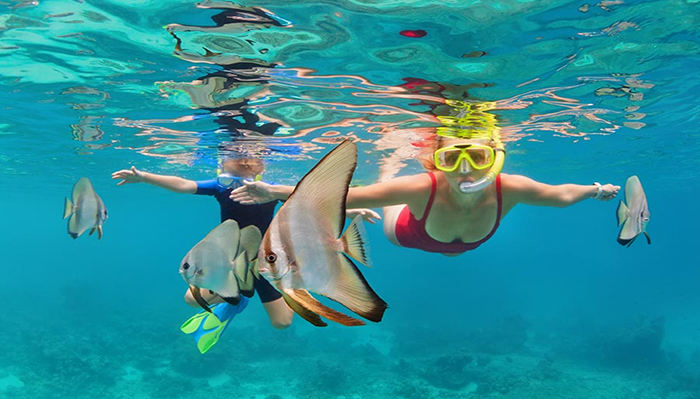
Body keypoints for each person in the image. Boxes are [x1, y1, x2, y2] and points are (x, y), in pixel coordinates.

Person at [229, 135, 620, 257]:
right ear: (439, 163)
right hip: (407, 233)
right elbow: (345, 195)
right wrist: (274, 189)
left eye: (478, 156)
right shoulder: (423, 187)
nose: (465, 169)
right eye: (452, 159)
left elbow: (560, 195)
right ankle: (389, 167)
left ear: (495, 158)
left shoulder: (511, 187)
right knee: (380, 195)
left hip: (462, 242)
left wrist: (595, 190)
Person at [112, 156, 296, 328]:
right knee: (191, 299)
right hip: (227, 261)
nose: (236, 188)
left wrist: (273, 191)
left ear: (260, 177)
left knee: (282, 322)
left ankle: (291, 285)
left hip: (264, 260)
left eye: (246, 182)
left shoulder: (268, 191)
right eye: (229, 181)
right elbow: (183, 184)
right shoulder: (220, 188)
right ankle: (235, 296)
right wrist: (144, 177)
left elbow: (305, 194)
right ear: (220, 172)